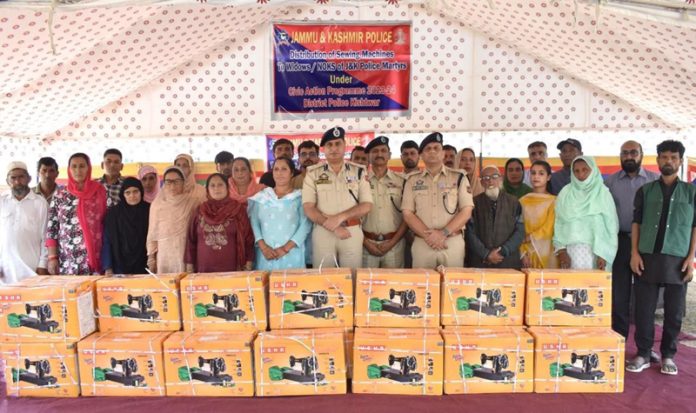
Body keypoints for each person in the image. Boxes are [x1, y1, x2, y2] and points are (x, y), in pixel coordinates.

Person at [627, 140, 695, 376]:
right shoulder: (645, 191)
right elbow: (637, 223)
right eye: (664, 157)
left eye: (673, 157)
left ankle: (668, 355)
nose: (668, 161)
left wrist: (691, 258)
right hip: (647, 255)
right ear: (657, 161)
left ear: (680, 161)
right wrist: (634, 253)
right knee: (644, 309)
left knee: (674, 311)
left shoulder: (691, 191)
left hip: (678, 258)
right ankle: (643, 353)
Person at [604, 140, 659, 340]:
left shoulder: (655, 180)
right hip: (619, 243)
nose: (629, 156)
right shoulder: (609, 182)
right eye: (625, 153)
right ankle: (620, 342)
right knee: (619, 295)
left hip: (647, 244)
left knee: (646, 297)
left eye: (633, 152)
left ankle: (645, 346)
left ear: (642, 155)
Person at [303, 126, 372, 268]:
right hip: (323, 232)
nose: (334, 148)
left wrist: (340, 217)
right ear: (324, 149)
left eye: (337, 144)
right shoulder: (313, 173)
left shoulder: (359, 171)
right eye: (329, 145)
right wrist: (334, 227)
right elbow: (308, 207)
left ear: (345, 146)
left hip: (351, 232)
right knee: (324, 280)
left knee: (352, 277)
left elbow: (367, 204)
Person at [402, 132, 473, 268]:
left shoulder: (458, 177)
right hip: (423, 243)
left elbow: (466, 210)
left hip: (451, 242)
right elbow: (407, 213)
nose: (432, 151)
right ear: (421, 155)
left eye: (436, 148)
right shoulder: (412, 180)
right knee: (422, 285)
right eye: (428, 149)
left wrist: (443, 233)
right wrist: (431, 237)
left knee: (452, 286)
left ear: (443, 153)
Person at [46, 153, 107, 275]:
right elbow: (52, 228)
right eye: (74, 166)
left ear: (88, 168)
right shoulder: (60, 194)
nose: (78, 170)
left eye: (81, 166)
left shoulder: (100, 191)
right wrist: (52, 258)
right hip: (69, 260)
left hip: (96, 257)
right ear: (69, 169)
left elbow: (108, 224)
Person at [553, 156, 618, 271]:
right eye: (576, 171)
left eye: (585, 170)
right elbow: (559, 223)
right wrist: (561, 251)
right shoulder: (565, 193)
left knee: (594, 287)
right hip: (570, 252)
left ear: (593, 170)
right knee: (571, 286)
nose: (580, 174)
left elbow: (611, 226)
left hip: (597, 252)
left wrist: (604, 254)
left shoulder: (602, 193)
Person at [249, 157, 311, 270]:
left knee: (292, 285)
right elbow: (254, 222)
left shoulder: (300, 197)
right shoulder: (263, 196)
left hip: (292, 254)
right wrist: (264, 248)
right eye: (276, 169)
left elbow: (305, 225)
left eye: (284, 169)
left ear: (292, 173)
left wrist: (285, 249)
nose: (279, 173)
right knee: (266, 285)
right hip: (265, 254)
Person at [186, 173, 254, 272]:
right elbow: (191, 240)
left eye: (220, 185)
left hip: (232, 268)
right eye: (212, 185)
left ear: (227, 187)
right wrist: (189, 265)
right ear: (207, 189)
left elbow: (248, 238)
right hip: (204, 267)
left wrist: (248, 262)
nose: (216, 188)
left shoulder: (237, 209)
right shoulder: (200, 210)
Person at [466, 165, 525, 269]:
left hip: (508, 261)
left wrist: (503, 251)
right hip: (480, 261)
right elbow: (469, 233)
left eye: (494, 176)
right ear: (481, 182)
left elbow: (520, 231)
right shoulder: (473, 203)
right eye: (486, 178)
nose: (490, 181)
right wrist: (486, 254)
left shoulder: (514, 202)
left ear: (501, 179)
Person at [362, 136, 408, 268]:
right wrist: (366, 243)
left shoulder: (402, 181)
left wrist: (392, 242)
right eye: (375, 151)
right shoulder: (359, 181)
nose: (379, 154)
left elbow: (407, 216)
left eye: (383, 150)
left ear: (389, 155)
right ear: (369, 156)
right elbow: (353, 217)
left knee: (394, 285)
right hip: (366, 245)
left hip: (395, 245)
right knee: (366, 287)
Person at [147, 166, 202, 273]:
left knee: (185, 285)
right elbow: (152, 233)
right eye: (168, 181)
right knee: (166, 285)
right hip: (165, 254)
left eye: (176, 181)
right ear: (164, 183)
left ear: (183, 183)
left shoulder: (193, 203)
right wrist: (151, 257)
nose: (172, 185)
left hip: (186, 251)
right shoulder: (157, 205)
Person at [0, 162, 49, 284]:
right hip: (6, 268)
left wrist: (43, 264)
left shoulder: (40, 203)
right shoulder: (2, 201)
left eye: (21, 177)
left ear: (29, 179)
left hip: (32, 268)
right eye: (13, 178)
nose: (17, 181)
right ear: (7, 181)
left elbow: (46, 236)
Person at [101, 178, 150, 275]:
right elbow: (107, 241)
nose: (132, 196)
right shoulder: (113, 214)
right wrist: (108, 267)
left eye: (136, 191)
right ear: (122, 195)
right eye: (128, 193)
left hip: (146, 266)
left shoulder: (150, 210)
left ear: (141, 192)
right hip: (119, 266)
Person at [519, 161, 558, 269]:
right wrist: (522, 253)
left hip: (547, 252)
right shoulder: (522, 201)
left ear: (548, 177)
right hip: (526, 254)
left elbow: (549, 227)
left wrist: (530, 237)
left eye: (541, 173)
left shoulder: (554, 201)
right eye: (533, 173)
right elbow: (517, 229)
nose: (536, 176)